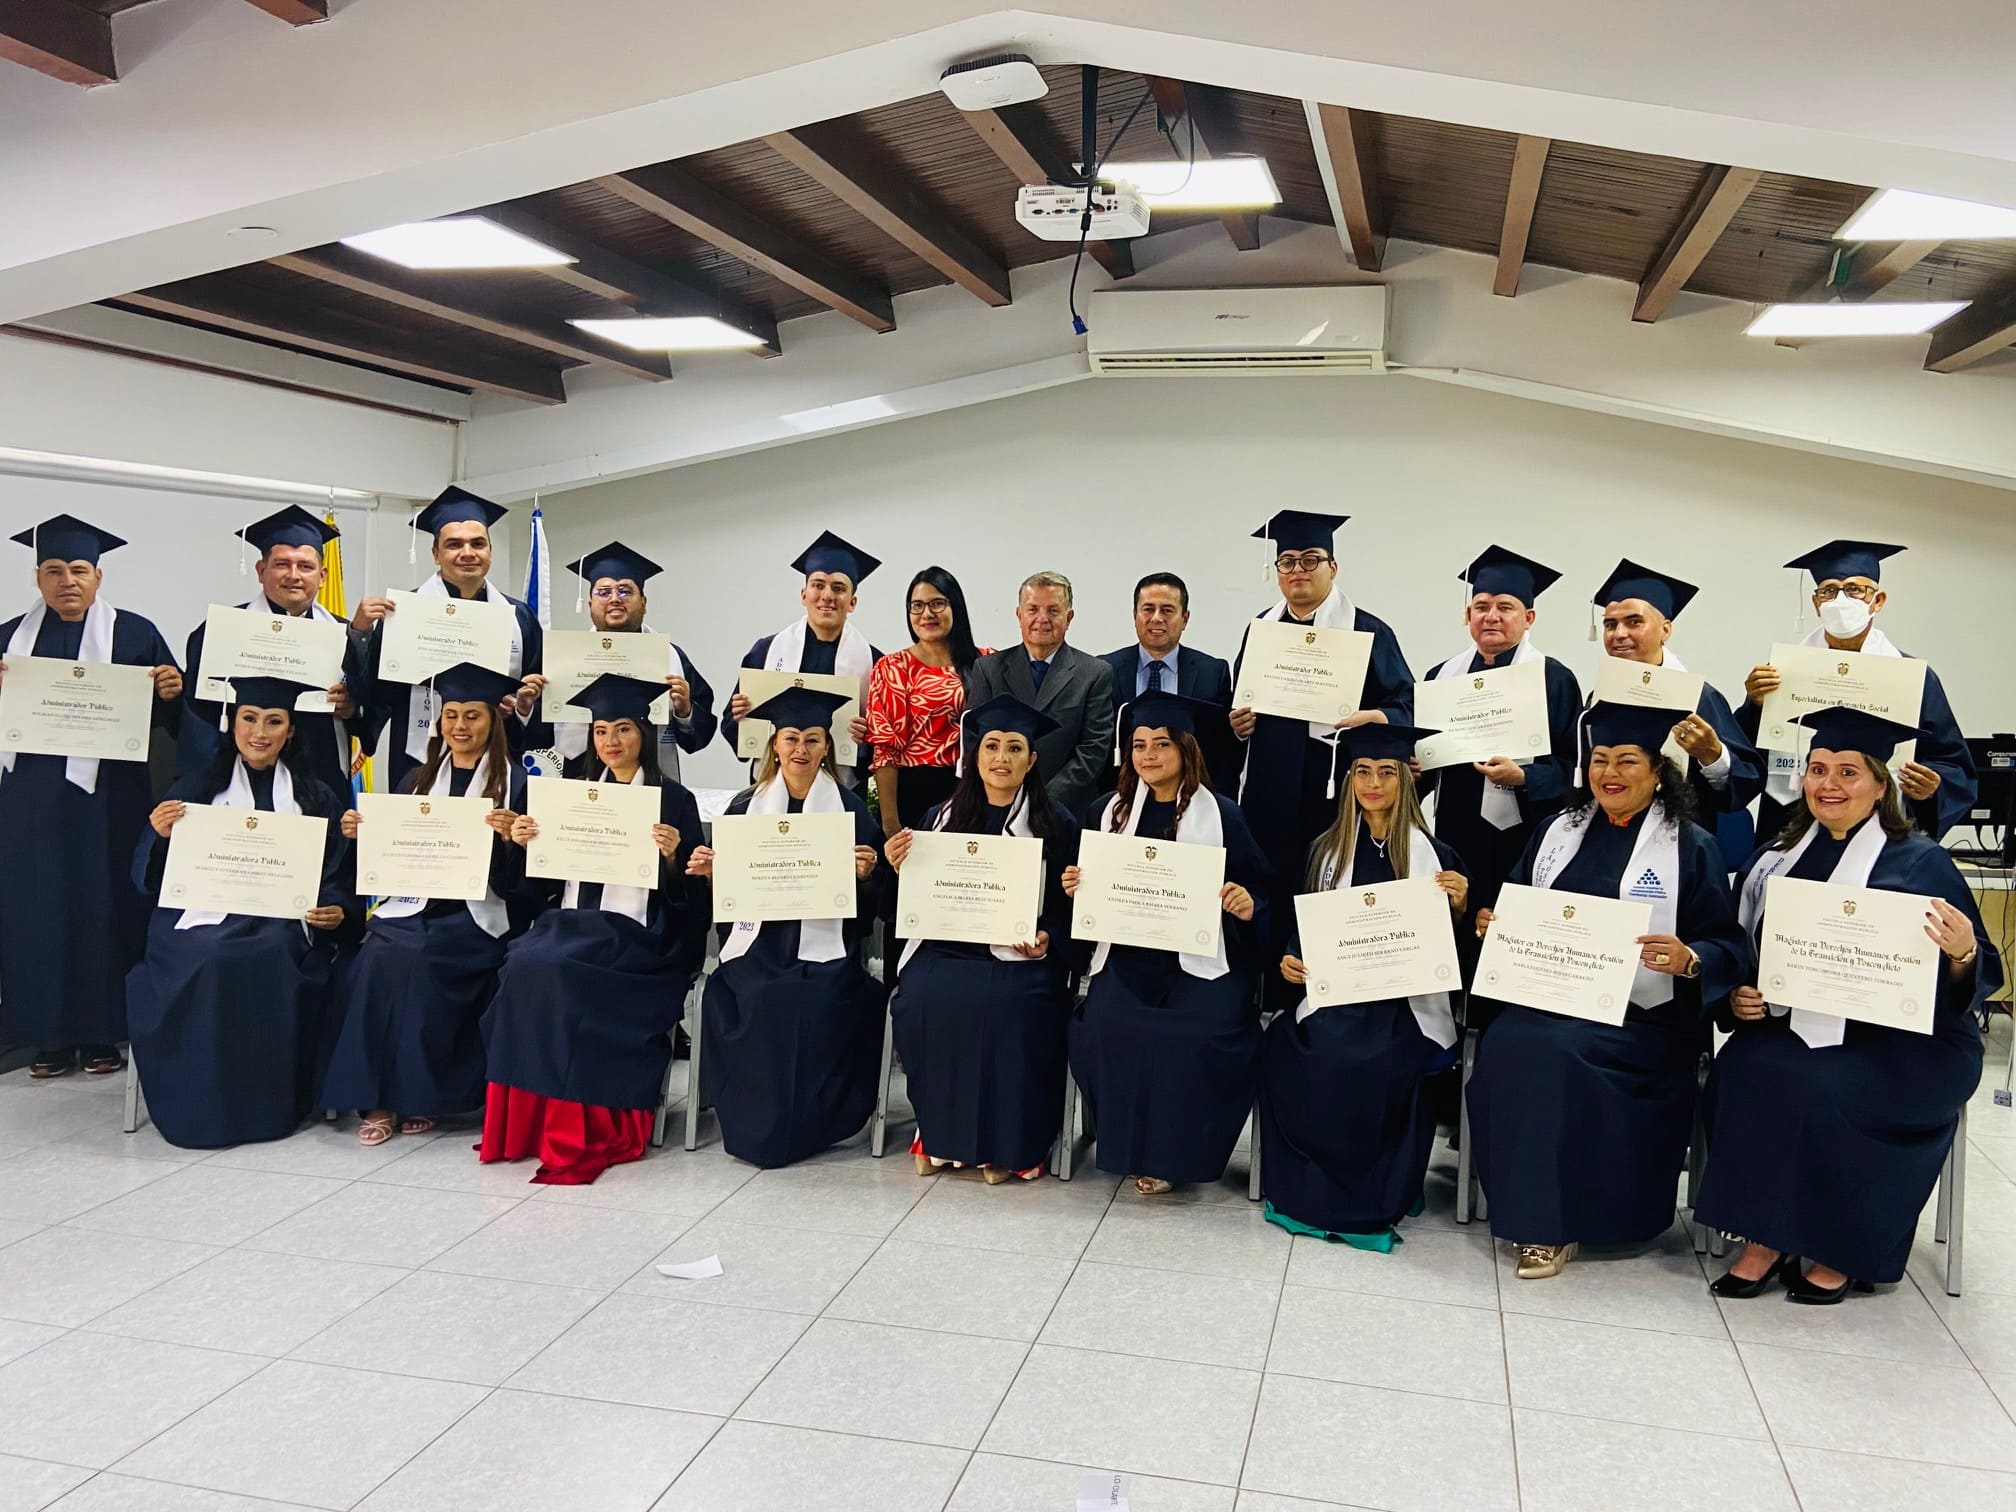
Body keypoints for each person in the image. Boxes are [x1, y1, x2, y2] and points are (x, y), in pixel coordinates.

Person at [1696, 707, 2001, 1302]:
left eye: (1847, 772)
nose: (1828, 784)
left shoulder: (1921, 861)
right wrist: (1740, 995)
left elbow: (1976, 971)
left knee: (1830, 1088)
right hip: (1798, 1025)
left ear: (1881, 786)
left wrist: (1963, 951)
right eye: (1817, 770)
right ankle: (1766, 1237)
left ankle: (1840, 1246)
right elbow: (1743, 952)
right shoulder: (1775, 858)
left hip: (1911, 1041)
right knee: (1744, 1071)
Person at [1467, 702, 1751, 1279]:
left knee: (1553, 1053)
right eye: (1599, 760)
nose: (1610, 773)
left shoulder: (1690, 846)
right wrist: (1492, 920)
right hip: (1548, 1000)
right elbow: (1516, 899)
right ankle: (1530, 1209)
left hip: (1642, 1020)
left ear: (1658, 772)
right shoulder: (1556, 832)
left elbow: (1727, 942)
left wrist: (1690, 958)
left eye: (1627, 761)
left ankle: (1559, 1222)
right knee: (1508, 1044)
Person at [480, 673, 706, 1184]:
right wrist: (520, 844)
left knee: (566, 972)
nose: (611, 741)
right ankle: (528, 1122)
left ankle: (579, 1124)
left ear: (644, 734)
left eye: (623, 729)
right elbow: (534, 888)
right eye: (601, 731)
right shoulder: (569, 796)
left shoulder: (675, 801)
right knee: (522, 964)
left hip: (640, 932)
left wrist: (674, 859)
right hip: (567, 921)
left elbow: (694, 901)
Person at [126, 677, 361, 1149]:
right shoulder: (194, 789)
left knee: (264, 952)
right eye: (249, 719)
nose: (259, 732)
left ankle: (263, 1107)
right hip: (201, 913)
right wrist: (159, 835)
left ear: (290, 731)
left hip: (280, 921)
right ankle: (200, 1106)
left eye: (274, 722)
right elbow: (148, 879)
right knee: (205, 955)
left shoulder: (316, 796)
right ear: (232, 724)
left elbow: (337, 874)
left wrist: (337, 909)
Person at [1264, 723, 1469, 1249]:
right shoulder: (1325, 850)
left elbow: (1454, 955)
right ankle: (1311, 1188)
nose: (1373, 783)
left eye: (1385, 772)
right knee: (1303, 1049)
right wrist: (1291, 958)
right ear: (1349, 779)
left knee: (1368, 1060)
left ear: (1406, 780)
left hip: (1404, 1005)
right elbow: (1306, 926)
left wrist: (1460, 909)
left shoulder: (1438, 855)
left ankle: (1378, 1192)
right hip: (1338, 994)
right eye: (1362, 771)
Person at [1064, 691, 1273, 1195]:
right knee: (1107, 1027)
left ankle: (1178, 1156)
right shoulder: (1105, 812)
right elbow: (1089, 894)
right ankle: (1130, 1147)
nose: (1149, 755)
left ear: (1185, 749)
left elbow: (1260, 888)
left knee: (1199, 1034)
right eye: (1139, 745)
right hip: (1125, 959)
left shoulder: (1222, 816)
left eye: (1162, 743)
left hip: (1201, 962)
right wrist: (1075, 887)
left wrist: (1248, 903)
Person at [0, 515, 182, 1079]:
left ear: (98, 577)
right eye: (54, 570)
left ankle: (105, 1031)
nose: (67, 581)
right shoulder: (8, 640)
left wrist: (171, 692)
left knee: (107, 904)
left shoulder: (135, 634)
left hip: (112, 798)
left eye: (79, 570)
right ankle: (47, 1036)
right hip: (31, 799)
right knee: (38, 908)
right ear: (37, 577)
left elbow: (176, 722)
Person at [322, 663, 530, 1145]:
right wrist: (362, 835)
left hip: (476, 914)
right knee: (375, 957)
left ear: (493, 721)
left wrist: (510, 844)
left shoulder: (518, 785)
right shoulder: (416, 779)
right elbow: (388, 862)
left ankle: (417, 1095)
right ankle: (379, 1101)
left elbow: (527, 887)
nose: (460, 726)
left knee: (419, 958)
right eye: (451, 714)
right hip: (413, 905)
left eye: (473, 715)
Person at [690, 687, 888, 1167]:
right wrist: (712, 875)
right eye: (791, 738)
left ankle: (812, 1127)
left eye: (813, 739)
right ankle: (755, 1125)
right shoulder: (743, 808)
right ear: (774, 745)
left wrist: (867, 876)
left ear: (827, 747)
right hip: (758, 945)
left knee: (811, 998)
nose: (801, 749)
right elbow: (725, 903)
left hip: (827, 949)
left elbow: (871, 910)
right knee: (755, 995)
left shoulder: (851, 810)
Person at [886, 693, 1077, 1182]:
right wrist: (898, 868)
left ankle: (1011, 1145)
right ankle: (938, 1134)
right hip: (944, 949)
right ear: (973, 756)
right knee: (923, 997)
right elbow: (909, 902)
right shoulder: (938, 818)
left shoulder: (1057, 824)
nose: (1001, 758)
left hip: (1019, 956)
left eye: (1015, 748)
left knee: (1008, 1004)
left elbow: (1068, 911)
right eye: (991, 746)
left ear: (1032, 760)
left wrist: (1048, 938)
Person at [1231, 511, 1412, 1009]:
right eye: (1287, 561)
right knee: (1268, 886)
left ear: (1333, 567)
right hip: (1268, 786)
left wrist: (1375, 715)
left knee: (1323, 888)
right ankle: (1266, 1001)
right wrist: (1238, 721)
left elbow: (1407, 702)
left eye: (1310, 560)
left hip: (1333, 787)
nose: (1298, 570)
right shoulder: (1261, 630)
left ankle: (1323, 1005)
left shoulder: (1368, 631)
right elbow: (1241, 701)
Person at [1740, 540, 1975, 843]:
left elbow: (1952, 763)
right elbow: (1743, 756)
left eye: (1854, 589)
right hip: (1793, 822)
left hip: (1882, 828)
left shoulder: (1913, 679)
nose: (1840, 600)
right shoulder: (1781, 673)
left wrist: (1932, 787)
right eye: (1828, 590)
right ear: (1816, 603)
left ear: (1878, 601)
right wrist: (1756, 706)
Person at [1420, 546, 1583, 911]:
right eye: (1481, 607)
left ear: (1529, 617)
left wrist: (1524, 777)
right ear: (1468, 615)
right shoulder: (1441, 677)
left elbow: (1576, 768)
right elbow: (1428, 760)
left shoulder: (1553, 679)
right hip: (1453, 835)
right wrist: (1416, 768)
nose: (1491, 616)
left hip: (1523, 838)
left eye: (1505, 607)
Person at [352, 486, 545, 794]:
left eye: (478, 543)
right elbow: (375, 694)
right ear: (435, 554)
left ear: (490, 551)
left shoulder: (519, 618)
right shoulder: (402, 615)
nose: (467, 553)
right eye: (454, 544)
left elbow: (536, 697)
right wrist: (361, 634)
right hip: (417, 760)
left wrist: (522, 707)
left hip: (499, 761)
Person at [179, 506, 364, 802]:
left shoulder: (346, 637)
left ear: (322, 576)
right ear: (261, 571)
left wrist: (351, 708)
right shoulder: (220, 632)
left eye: (305, 566)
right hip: (237, 784)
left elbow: (371, 711)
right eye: (282, 564)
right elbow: (198, 717)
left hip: (321, 780)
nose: (294, 575)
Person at [1591, 559, 1764, 828]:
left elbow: (1746, 783)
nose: (1619, 634)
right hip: (1605, 831)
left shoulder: (1698, 697)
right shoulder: (1598, 697)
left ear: (1665, 630)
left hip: (1677, 837)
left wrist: (1712, 756)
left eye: (1634, 622)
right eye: (1610, 625)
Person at [720, 531, 882, 786]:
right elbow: (732, 728)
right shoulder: (766, 651)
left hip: (842, 791)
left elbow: (882, 746)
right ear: (804, 595)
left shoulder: (875, 663)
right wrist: (739, 716)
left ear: (852, 602)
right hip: (773, 787)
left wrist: (866, 740)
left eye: (838, 588)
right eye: (818, 585)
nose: (827, 595)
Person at [552, 540, 717, 782]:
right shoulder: (565, 659)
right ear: (590, 604)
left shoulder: (670, 656)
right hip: (583, 781)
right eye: (604, 592)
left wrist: (685, 711)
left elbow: (699, 738)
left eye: (625, 591)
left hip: (656, 781)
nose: (614, 599)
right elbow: (538, 732)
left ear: (644, 602)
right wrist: (527, 706)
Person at [964, 571, 1115, 820]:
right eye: (1033, 609)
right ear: (1019, 615)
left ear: (1069, 617)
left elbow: (1093, 748)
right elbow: (974, 740)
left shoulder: (1095, 673)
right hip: (997, 804)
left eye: (1053, 610)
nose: (1042, 619)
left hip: (1065, 810)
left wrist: (1044, 798)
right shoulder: (988, 669)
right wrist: (1006, 792)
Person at [867, 566, 989, 835]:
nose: (927, 614)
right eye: (917, 606)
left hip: (978, 791)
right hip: (916, 792)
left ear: (955, 606)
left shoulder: (987, 662)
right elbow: (885, 752)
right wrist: (890, 824)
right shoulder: (892, 668)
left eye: (937, 603)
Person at [1097, 571, 1235, 790]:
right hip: (1120, 794)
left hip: (1191, 794)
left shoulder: (1212, 673)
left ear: (1185, 619)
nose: (1156, 618)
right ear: (1135, 615)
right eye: (1148, 609)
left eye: (1167, 610)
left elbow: (1224, 749)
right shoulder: (1104, 670)